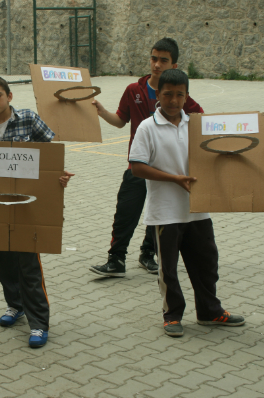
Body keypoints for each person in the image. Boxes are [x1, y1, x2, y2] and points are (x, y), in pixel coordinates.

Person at [128, 68, 264, 336]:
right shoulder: (147, 128)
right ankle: (172, 315)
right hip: (166, 213)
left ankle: (210, 311)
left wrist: (261, 151)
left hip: (198, 210)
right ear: (157, 95)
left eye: (179, 95)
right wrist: (175, 179)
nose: (173, 100)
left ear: (187, 96)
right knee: (168, 270)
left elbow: (226, 153)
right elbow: (136, 166)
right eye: (168, 94)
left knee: (207, 264)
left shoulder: (199, 125)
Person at [0, 75, 74, 348]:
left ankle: (39, 323)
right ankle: (15, 305)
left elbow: (50, 155)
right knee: (2, 261)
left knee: (28, 265)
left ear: (9, 96)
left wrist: (59, 175)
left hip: (29, 205)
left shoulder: (29, 119)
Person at [89, 38, 204, 278]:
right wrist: (101, 112)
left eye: (163, 60)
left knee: (159, 214)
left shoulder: (178, 92)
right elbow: (121, 121)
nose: (156, 65)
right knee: (126, 212)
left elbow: (202, 125)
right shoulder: (134, 90)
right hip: (139, 166)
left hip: (168, 169)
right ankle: (116, 259)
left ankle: (147, 255)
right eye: (154, 58)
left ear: (174, 64)